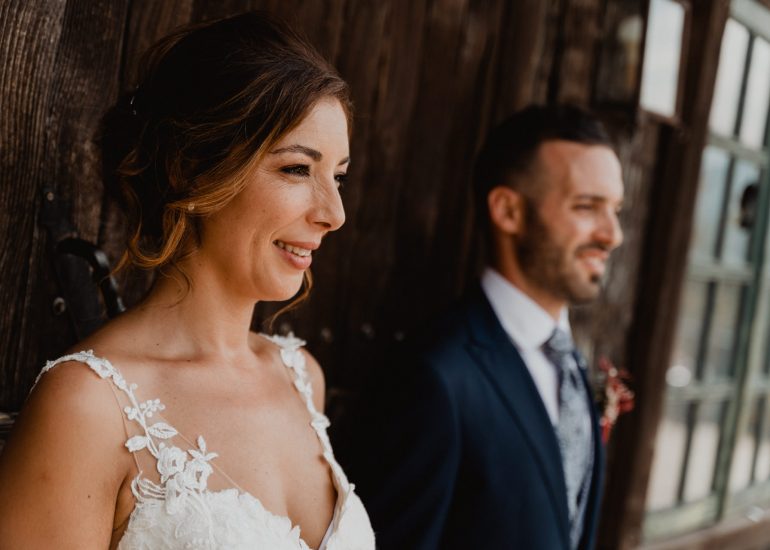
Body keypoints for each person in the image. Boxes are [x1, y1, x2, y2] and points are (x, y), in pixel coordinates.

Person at [0, 12, 375, 550]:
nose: (334, 213)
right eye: (297, 169)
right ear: (192, 173)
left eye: (337, 176)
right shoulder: (88, 407)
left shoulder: (301, 379)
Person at [352, 105, 624, 550]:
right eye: (587, 206)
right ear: (508, 210)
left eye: (616, 209)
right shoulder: (436, 376)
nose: (612, 234)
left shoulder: (568, 360)